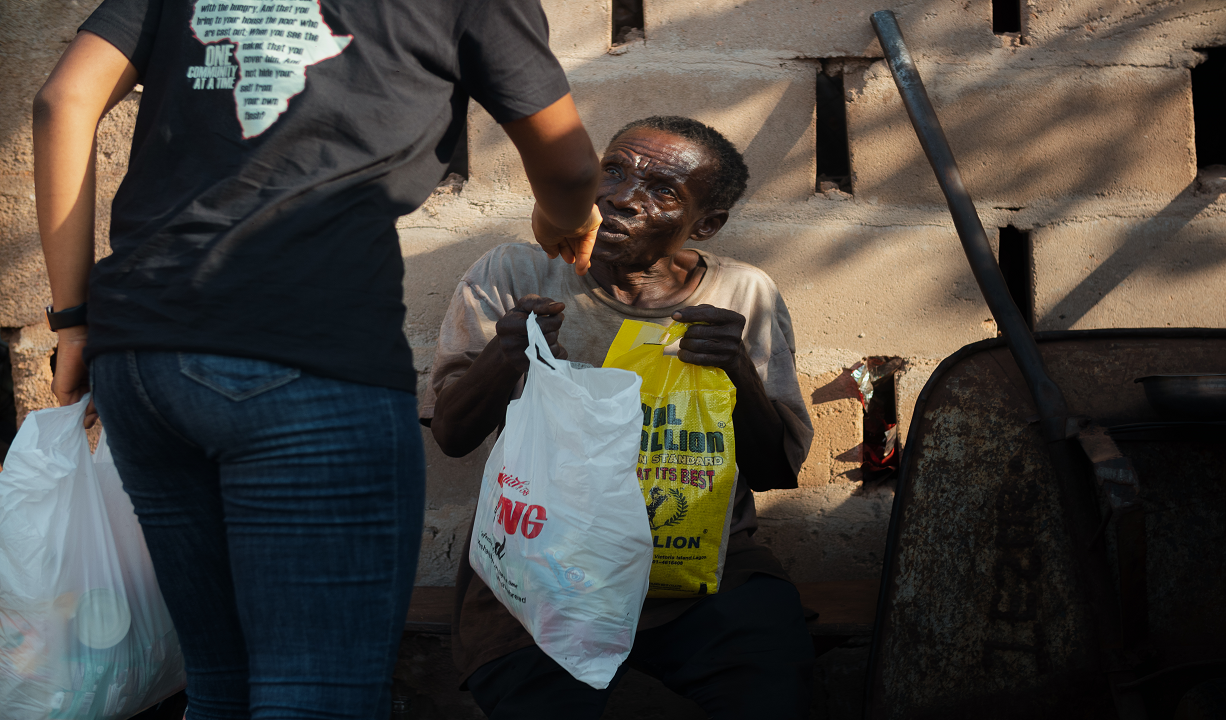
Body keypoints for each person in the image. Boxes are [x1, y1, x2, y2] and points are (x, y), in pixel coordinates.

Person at [32, 1, 603, 717]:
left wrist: (75, 321)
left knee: (221, 683)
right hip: (306, 357)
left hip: (142, 357)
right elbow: (572, 164)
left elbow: (62, 100)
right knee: (318, 693)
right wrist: (568, 218)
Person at [426, 116, 817, 718]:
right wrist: (506, 355)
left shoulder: (743, 295)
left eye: (663, 190)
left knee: (769, 675)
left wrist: (736, 368)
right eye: (612, 170)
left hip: (698, 567)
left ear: (705, 225)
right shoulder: (516, 273)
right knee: (535, 695)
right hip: (541, 563)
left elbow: (773, 471)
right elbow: (452, 436)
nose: (619, 198)